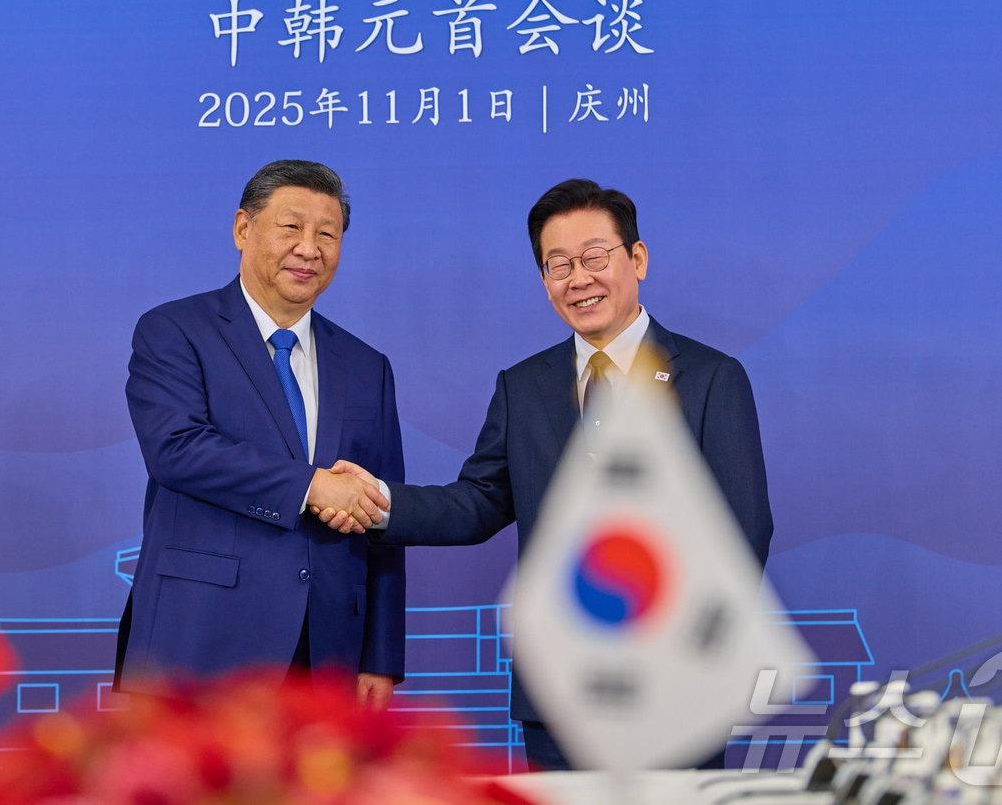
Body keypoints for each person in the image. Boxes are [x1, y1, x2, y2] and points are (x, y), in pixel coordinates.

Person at [318, 178, 773, 764]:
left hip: (673, 686)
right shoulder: (524, 386)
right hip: (558, 694)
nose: (577, 279)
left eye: (593, 257)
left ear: (637, 259)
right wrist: (375, 498)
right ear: (544, 281)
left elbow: (744, 529)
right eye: (558, 265)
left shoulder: (711, 379)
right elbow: (479, 502)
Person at [114, 159, 404, 708]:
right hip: (198, 643)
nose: (309, 248)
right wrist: (312, 486)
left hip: (327, 653)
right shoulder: (174, 331)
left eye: (328, 233)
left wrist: (380, 656)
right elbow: (177, 450)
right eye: (291, 227)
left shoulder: (368, 365)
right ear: (243, 229)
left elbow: (382, 512)